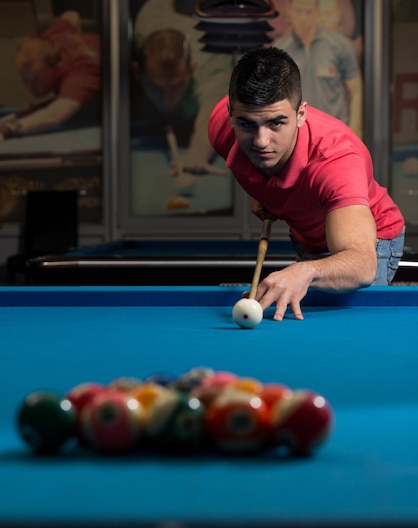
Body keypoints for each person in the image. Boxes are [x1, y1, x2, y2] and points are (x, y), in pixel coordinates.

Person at [208, 46, 405, 321]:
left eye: (276, 123)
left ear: (301, 114)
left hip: (370, 241)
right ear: (231, 114)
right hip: (307, 234)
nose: (261, 141)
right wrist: (263, 190)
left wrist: (303, 271)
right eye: (248, 124)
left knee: (349, 326)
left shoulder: (336, 161)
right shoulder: (221, 127)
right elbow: (251, 166)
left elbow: (362, 263)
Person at [132, 0, 231, 177]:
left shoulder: (211, 66)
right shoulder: (147, 21)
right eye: (156, 88)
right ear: (136, 72)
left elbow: (212, 115)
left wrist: (197, 153)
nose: (167, 100)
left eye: (176, 86)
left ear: (191, 69)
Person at [0, 10, 101, 141]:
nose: (30, 88)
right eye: (25, 80)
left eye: (36, 80)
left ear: (58, 66)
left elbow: (54, 116)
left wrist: (8, 129)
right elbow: (71, 15)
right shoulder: (53, 37)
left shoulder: (79, 76)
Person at [273, 0, 363, 137]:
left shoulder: (339, 46)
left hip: (334, 135)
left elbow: (356, 91)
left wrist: (353, 133)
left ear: (316, 12)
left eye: (308, 12)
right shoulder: (280, 50)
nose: (303, 18)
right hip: (296, 137)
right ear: (290, 12)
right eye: (298, 11)